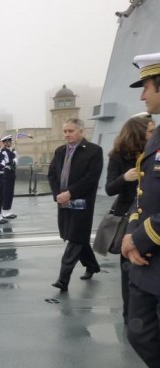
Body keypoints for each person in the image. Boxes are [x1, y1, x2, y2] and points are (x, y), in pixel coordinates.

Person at [122, 51, 160, 367]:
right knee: (140, 333)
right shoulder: (156, 137)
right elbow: (144, 192)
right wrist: (132, 232)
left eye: (146, 86)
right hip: (148, 259)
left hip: (152, 248)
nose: (143, 94)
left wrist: (140, 238)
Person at [105, 114, 155, 324]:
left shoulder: (154, 153)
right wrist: (125, 178)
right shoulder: (118, 156)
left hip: (152, 216)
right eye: (150, 130)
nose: (154, 133)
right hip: (129, 218)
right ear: (138, 133)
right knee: (128, 270)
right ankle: (130, 315)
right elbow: (109, 188)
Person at [48, 118, 103, 292]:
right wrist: (58, 194)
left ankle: (63, 279)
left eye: (71, 131)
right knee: (78, 238)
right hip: (63, 202)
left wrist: (70, 193)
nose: (67, 134)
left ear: (81, 131)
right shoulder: (60, 151)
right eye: (65, 131)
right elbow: (52, 175)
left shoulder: (94, 151)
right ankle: (92, 265)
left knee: (74, 239)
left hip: (82, 203)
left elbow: (91, 178)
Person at [1, 135, 18, 220]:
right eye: (9, 141)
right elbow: (7, 162)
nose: (11, 143)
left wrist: (14, 155)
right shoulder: (4, 152)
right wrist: (14, 159)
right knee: (6, 193)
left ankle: (8, 210)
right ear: (5, 143)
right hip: (6, 174)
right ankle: (4, 211)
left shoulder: (10, 151)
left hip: (11, 174)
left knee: (10, 193)